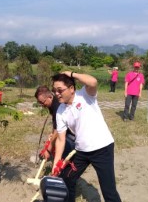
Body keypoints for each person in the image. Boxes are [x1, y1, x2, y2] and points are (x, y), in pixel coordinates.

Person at [51, 71, 122, 202]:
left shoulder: (85, 95)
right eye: (54, 90)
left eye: (60, 90)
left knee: (109, 191)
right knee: (67, 177)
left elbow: (93, 82)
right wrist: (56, 165)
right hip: (81, 151)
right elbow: (61, 140)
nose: (56, 94)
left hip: (102, 148)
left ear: (71, 88)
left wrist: (71, 74)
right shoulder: (60, 111)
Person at [34, 86, 75, 161]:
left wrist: (48, 150)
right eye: (40, 103)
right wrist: (52, 134)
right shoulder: (51, 103)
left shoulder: (57, 107)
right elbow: (55, 124)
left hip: (73, 135)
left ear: (50, 97)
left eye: (42, 102)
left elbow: (58, 131)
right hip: (64, 130)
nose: (42, 105)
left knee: (63, 149)